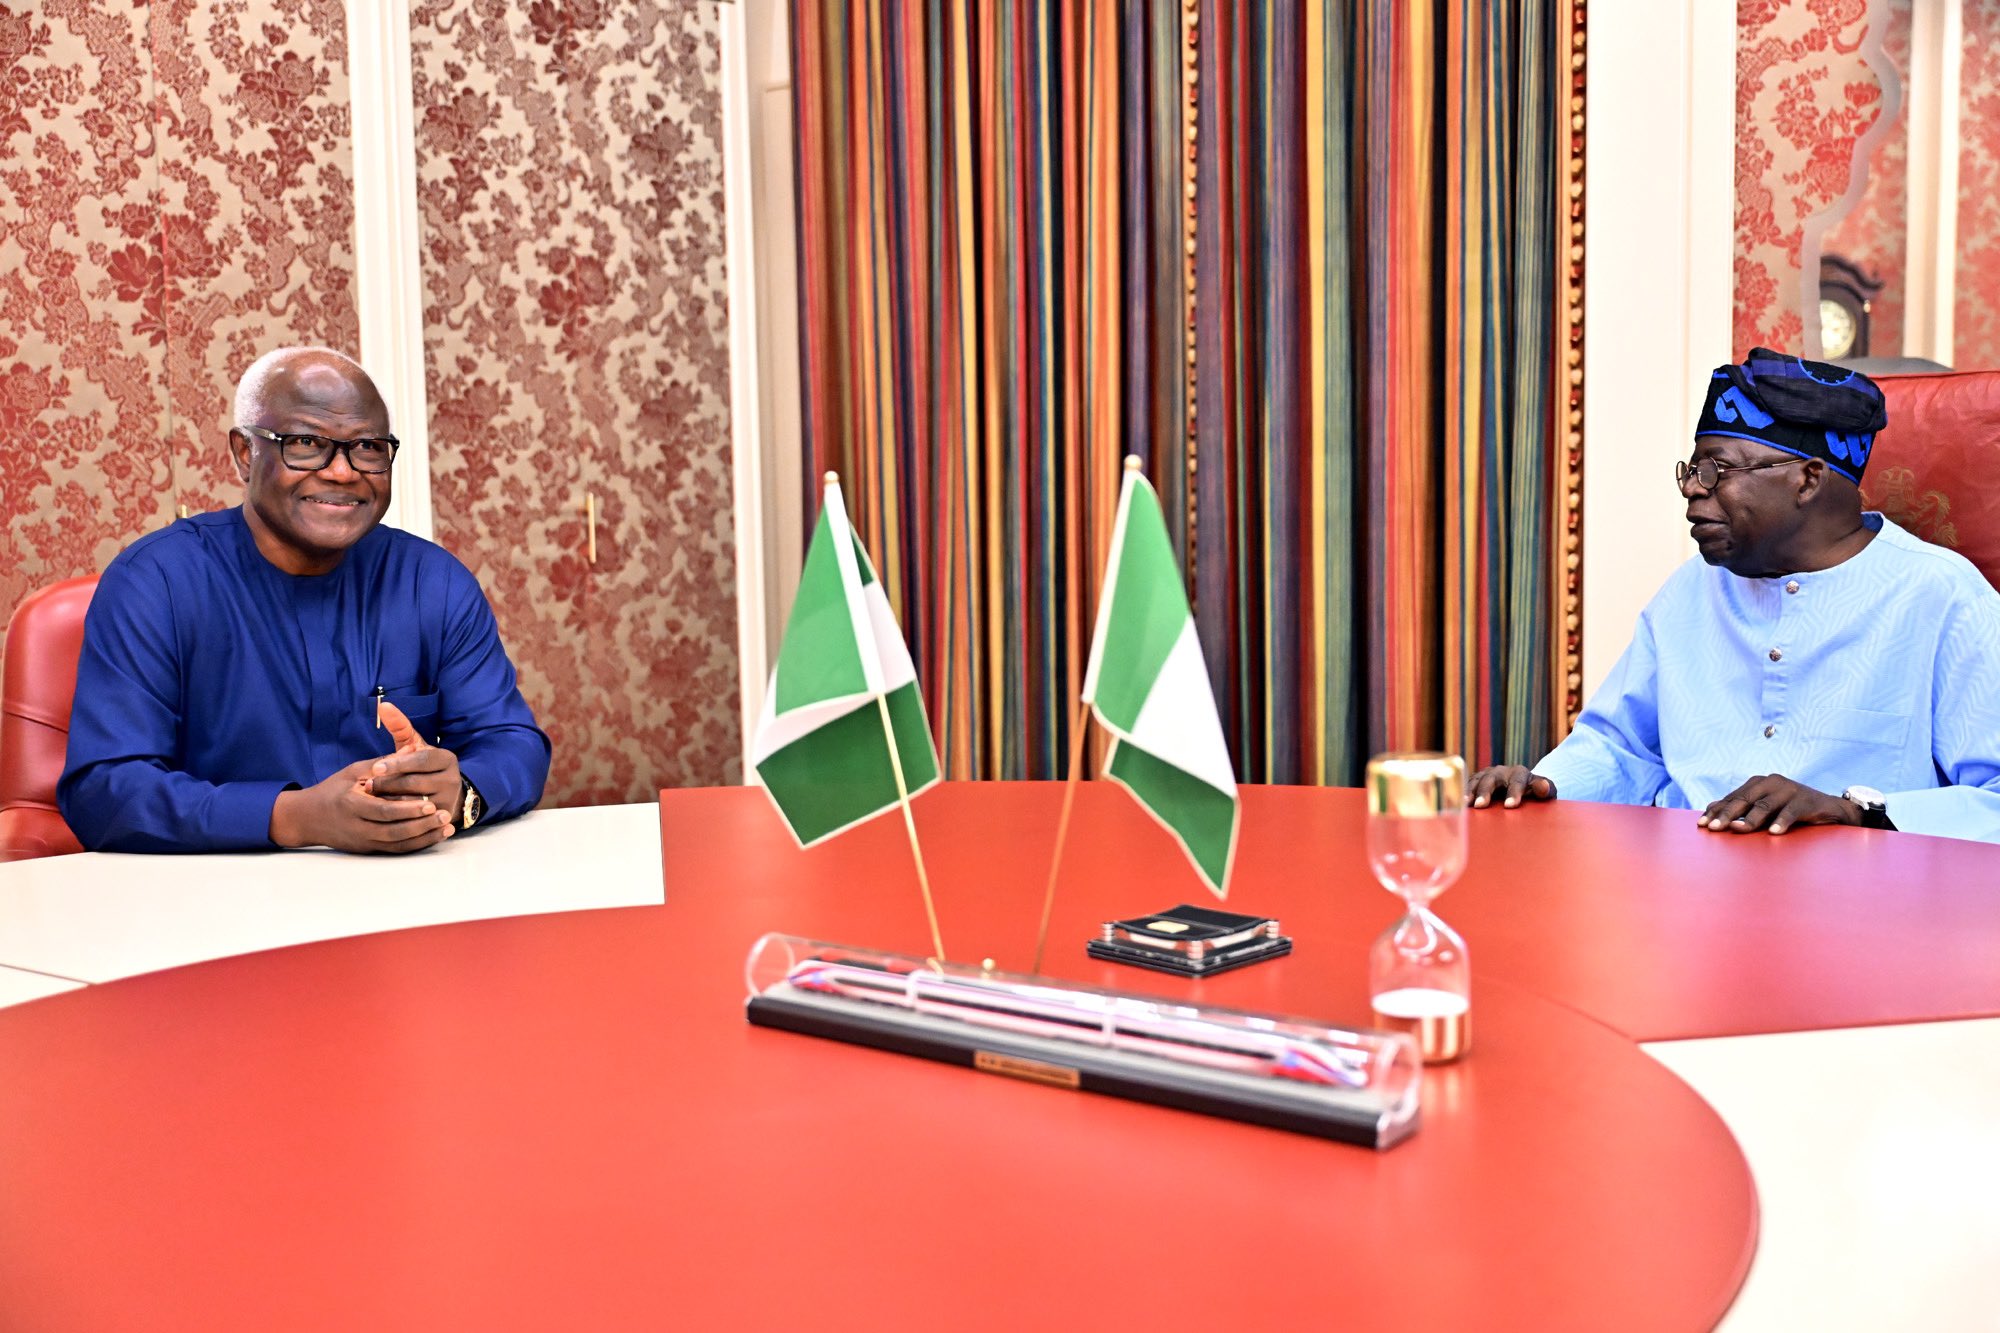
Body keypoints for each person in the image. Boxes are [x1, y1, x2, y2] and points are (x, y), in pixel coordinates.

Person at [1468, 347, 2000, 841]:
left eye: (1716, 470)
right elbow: (1620, 747)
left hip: (1858, 896)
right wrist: (1546, 785)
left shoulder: (1942, 598)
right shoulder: (1690, 589)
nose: (1692, 489)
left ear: (1808, 479)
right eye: (1692, 472)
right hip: (1676, 883)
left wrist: (1853, 812)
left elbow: (1992, 799)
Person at [59, 347, 550, 853]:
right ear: (245, 452)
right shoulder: (155, 583)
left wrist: (459, 792)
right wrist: (295, 817)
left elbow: (514, 744)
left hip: (402, 885)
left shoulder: (433, 582)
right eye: (307, 443)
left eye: (367, 447)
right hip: (216, 890)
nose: (342, 472)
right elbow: (105, 791)